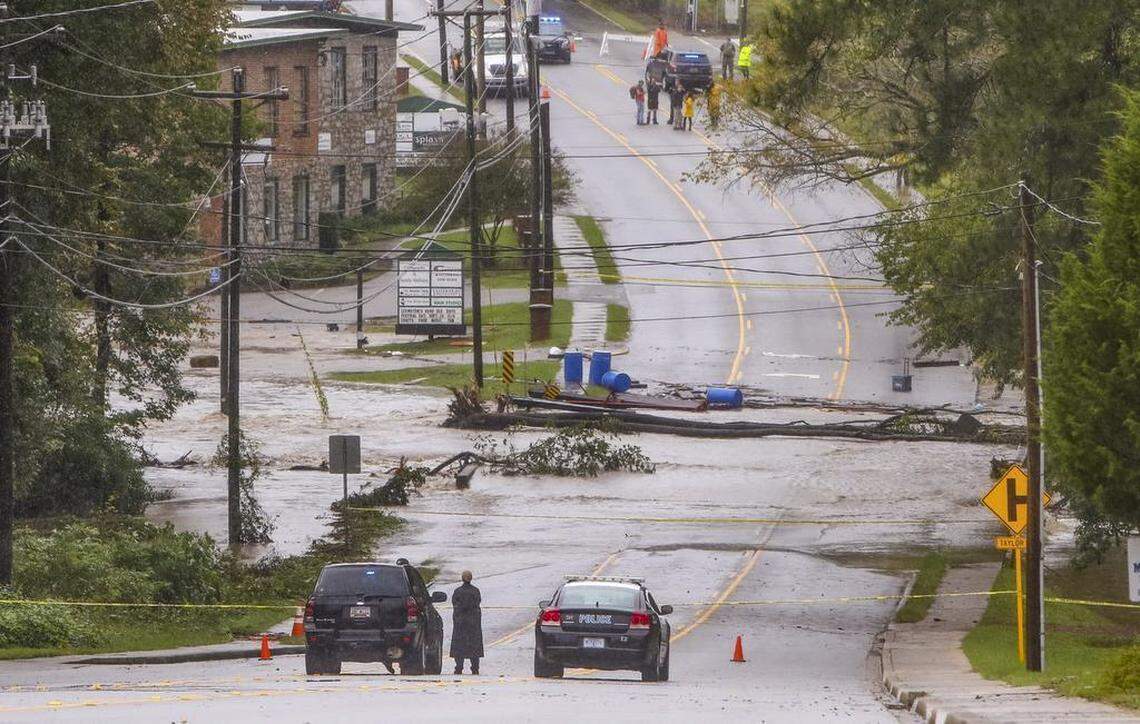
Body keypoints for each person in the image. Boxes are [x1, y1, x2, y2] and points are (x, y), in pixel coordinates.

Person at [450, 571, 484, 674]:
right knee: (474, 645)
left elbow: (454, 603)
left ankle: (459, 667)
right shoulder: (475, 591)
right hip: (473, 622)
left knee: (459, 645)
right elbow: (477, 602)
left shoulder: (458, 591)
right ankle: (475, 667)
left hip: (460, 622)